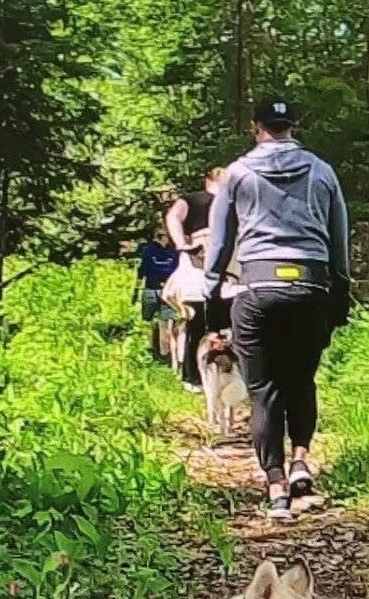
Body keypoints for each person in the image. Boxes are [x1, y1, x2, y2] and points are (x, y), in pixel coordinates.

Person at [203, 96, 350, 520]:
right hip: (309, 286)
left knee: (264, 390)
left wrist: (211, 288)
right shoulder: (322, 171)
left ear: (256, 127)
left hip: (258, 288)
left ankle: (275, 486)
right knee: (301, 380)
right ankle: (301, 458)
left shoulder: (238, 173)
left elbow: (219, 239)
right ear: (293, 127)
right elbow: (338, 237)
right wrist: (339, 287)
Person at [165, 168, 230, 391]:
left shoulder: (191, 200)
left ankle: (194, 377)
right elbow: (173, 217)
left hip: (199, 276)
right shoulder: (229, 203)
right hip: (220, 274)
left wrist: (181, 243)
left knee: (196, 322)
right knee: (218, 323)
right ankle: (211, 376)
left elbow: (173, 216)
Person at [136, 226, 179, 359]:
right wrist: (136, 289)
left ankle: (162, 353)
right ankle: (155, 350)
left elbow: (141, 271)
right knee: (154, 321)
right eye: (166, 236)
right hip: (155, 290)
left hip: (164, 291)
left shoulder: (150, 251)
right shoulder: (171, 252)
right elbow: (142, 271)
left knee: (164, 322)